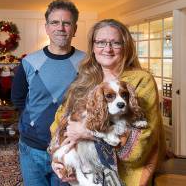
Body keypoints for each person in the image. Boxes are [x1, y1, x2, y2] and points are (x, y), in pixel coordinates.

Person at [50, 19, 166, 186]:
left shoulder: (141, 80)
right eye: (101, 42)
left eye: (115, 43)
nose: (108, 49)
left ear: (126, 46)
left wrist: (88, 132)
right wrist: (59, 160)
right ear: (93, 47)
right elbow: (60, 122)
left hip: (122, 179)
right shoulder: (84, 79)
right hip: (78, 175)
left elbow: (140, 145)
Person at [11, 0, 85, 186]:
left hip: (70, 147)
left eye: (66, 23)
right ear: (46, 28)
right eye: (55, 22)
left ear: (74, 29)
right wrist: (36, 123)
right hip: (32, 147)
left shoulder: (87, 63)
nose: (60, 28)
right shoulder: (29, 62)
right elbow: (17, 98)